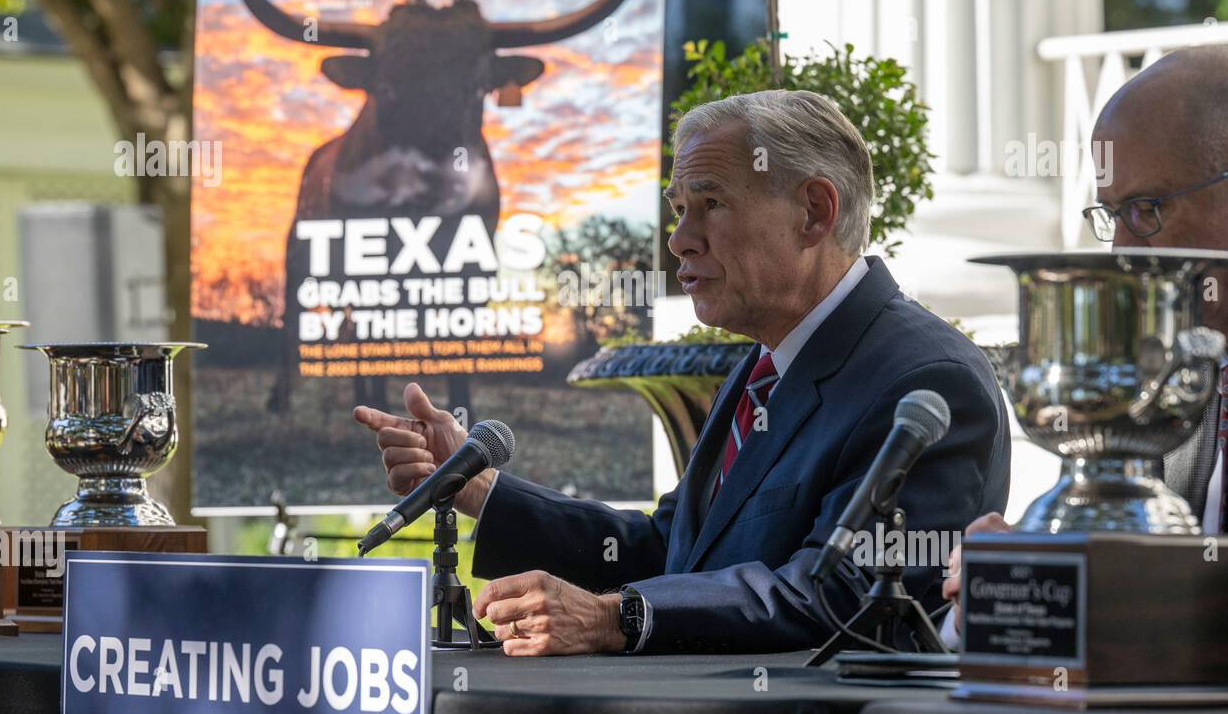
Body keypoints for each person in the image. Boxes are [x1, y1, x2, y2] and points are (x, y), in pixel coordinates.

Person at [357, 89, 1011, 655]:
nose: (679, 240)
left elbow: (844, 594)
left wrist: (621, 617)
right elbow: (665, 552)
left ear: (814, 211)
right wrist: (478, 487)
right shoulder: (762, 366)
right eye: (678, 210)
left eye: (711, 204)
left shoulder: (928, 378)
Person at [944, 45, 1228, 633]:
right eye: (1109, 214)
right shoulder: (1173, 387)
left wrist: (1080, 587)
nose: (1121, 250)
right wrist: (1016, 579)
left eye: (1145, 210)